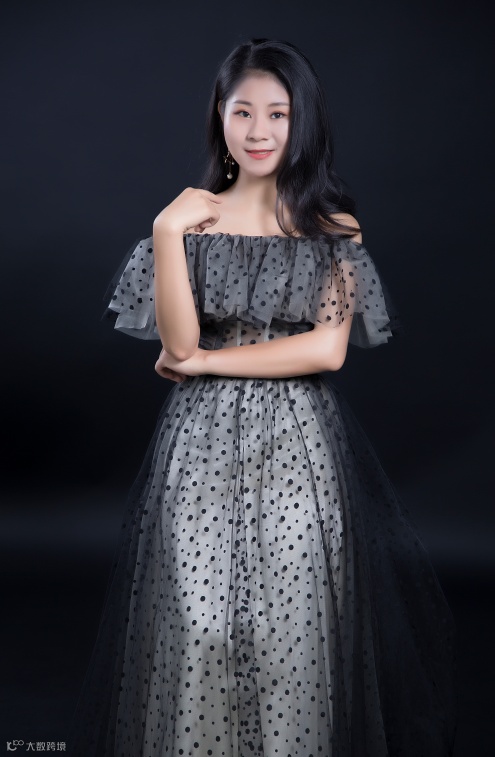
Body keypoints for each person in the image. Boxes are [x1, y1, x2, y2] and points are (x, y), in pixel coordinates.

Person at [68, 38, 457, 756]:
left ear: (302, 120)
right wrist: (166, 231)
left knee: (292, 629)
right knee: (199, 623)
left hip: (297, 443)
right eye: (242, 111)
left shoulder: (332, 229)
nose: (258, 130)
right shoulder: (187, 222)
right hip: (199, 443)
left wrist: (207, 361)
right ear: (219, 116)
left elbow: (325, 350)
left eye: (277, 113)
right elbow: (177, 341)